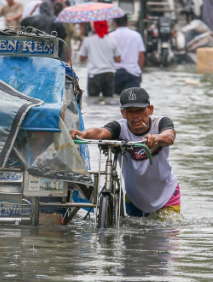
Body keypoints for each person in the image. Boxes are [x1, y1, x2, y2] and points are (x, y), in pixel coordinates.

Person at [70, 87, 180, 217]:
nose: (135, 116)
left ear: (150, 109)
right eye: (130, 111)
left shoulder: (160, 123)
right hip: (135, 198)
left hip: (166, 195)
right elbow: (101, 132)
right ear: (123, 113)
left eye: (139, 110)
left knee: (166, 231)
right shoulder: (119, 127)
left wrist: (156, 138)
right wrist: (83, 133)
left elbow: (169, 136)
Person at [78, 20, 121, 97]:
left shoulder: (88, 40)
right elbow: (118, 59)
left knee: (93, 101)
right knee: (108, 101)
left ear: (94, 26)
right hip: (109, 74)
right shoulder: (112, 40)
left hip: (94, 75)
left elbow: (82, 58)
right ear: (106, 26)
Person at [110, 15, 145, 93]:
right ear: (127, 23)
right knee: (133, 101)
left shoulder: (110, 36)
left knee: (115, 100)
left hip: (115, 72)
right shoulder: (136, 36)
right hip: (133, 72)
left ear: (115, 23)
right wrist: (140, 72)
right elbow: (141, 55)